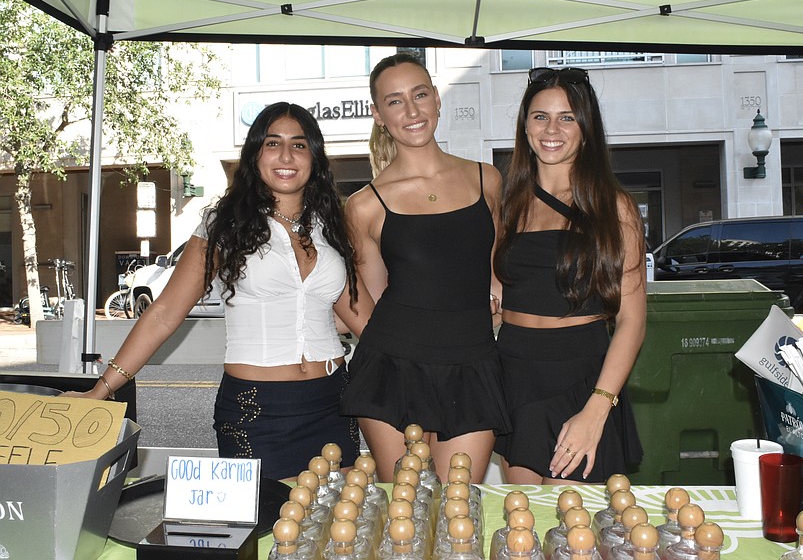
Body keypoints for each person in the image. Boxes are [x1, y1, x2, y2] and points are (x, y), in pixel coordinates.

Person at [64, 102, 373, 481]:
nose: (286, 156)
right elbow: (164, 313)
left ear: (314, 156)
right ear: (255, 153)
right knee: (267, 532)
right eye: (273, 143)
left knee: (333, 528)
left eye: (299, 144)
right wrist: (102, 389)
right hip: (255, 408)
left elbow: (366, 321)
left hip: (332, 402)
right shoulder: (224, 224)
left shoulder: (331, 226)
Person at [339, 53, 510, 483]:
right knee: (402, 518)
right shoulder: (362, 205)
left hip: (473, 363)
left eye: (419, 95)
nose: (411, 111)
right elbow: (371, 302)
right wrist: (405, 347)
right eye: (394, 101)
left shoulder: (486, 179)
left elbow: (499, 274)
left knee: (459, 512)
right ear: (378, 115)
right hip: (392, 368)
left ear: (437, 100)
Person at [493, 67, 646, 485]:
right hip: (514, 375)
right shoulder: (507, 205)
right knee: (523, 531)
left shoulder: (614, 207)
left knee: (572, 533)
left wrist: (598, 408)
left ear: (586, 127)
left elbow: (632, 320)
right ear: (525, 126)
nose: (552, 129)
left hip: (580, 378)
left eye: (567, 117)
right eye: (540, 116)